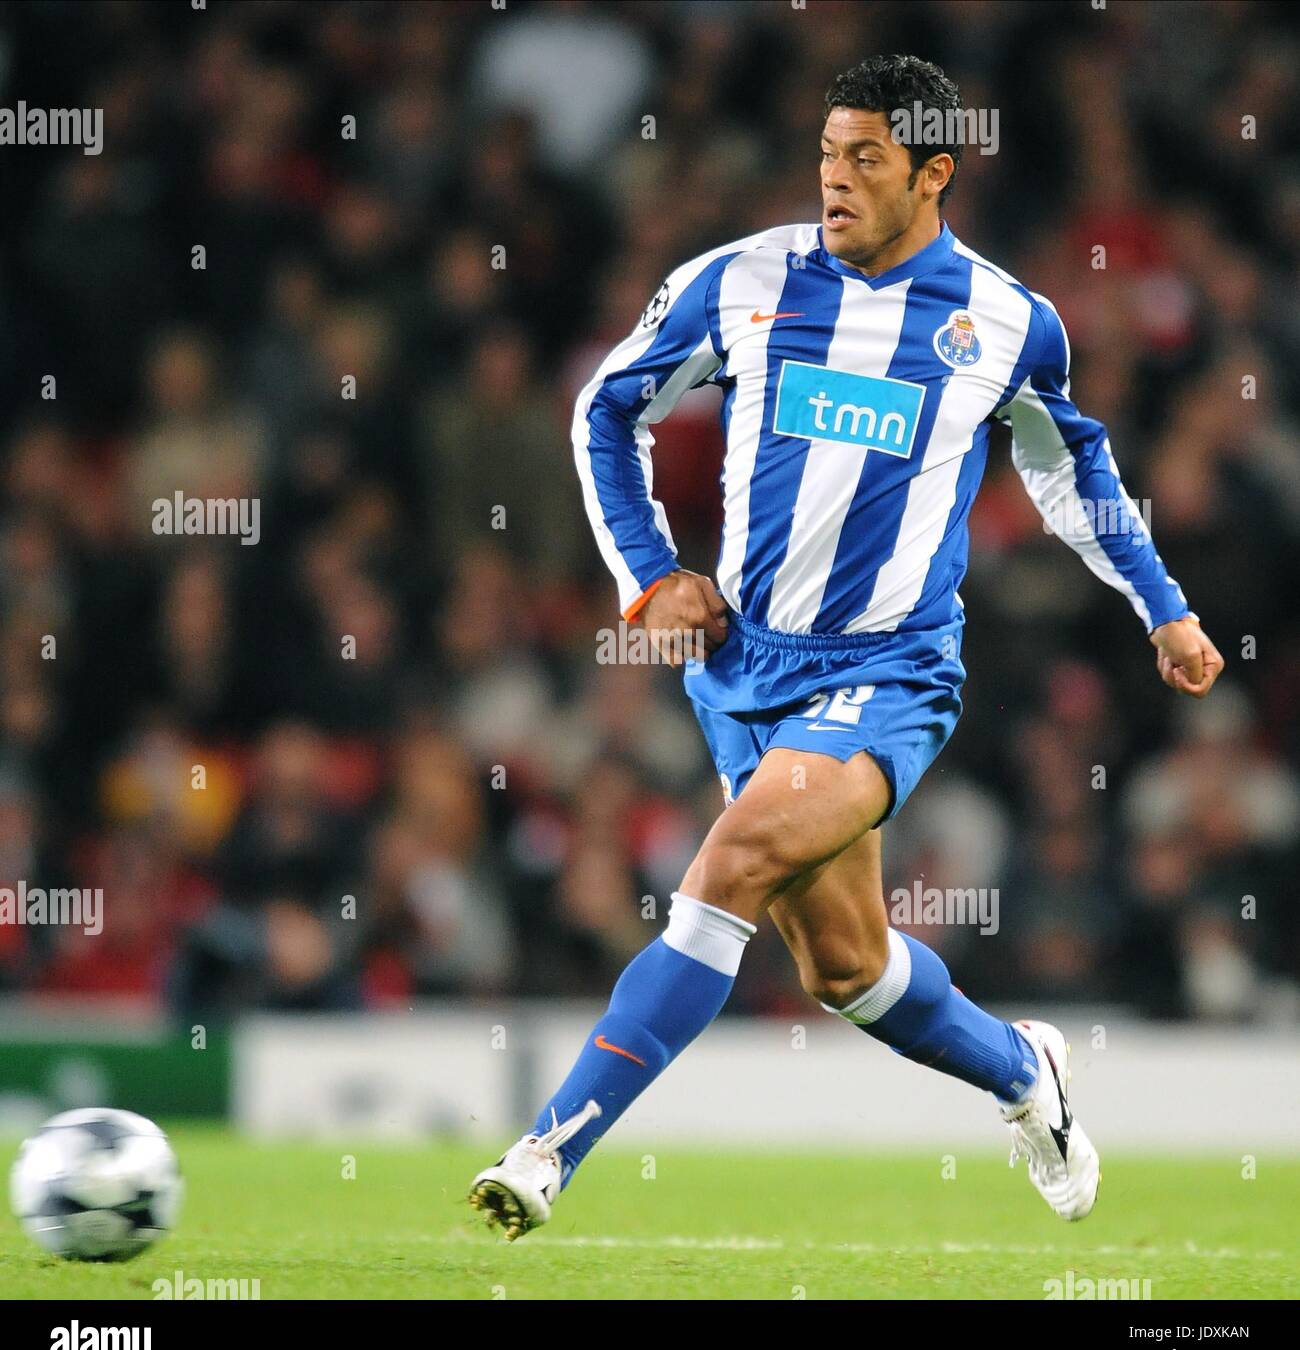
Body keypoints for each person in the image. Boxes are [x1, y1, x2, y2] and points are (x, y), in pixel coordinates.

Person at [470, 54, 1223, 1239]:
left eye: (865, 159)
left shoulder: (1004, 323)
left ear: (934, 173)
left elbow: (1070, 470)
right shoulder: (740, 282)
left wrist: (1163, 607)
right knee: (846, 970)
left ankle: (548, 1149)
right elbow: (608, 406)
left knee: (728, 864)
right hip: (742, 668)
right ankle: (1027, 1073)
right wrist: (650, 574)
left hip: (887, 671)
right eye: (827, 154)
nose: (835, 179)